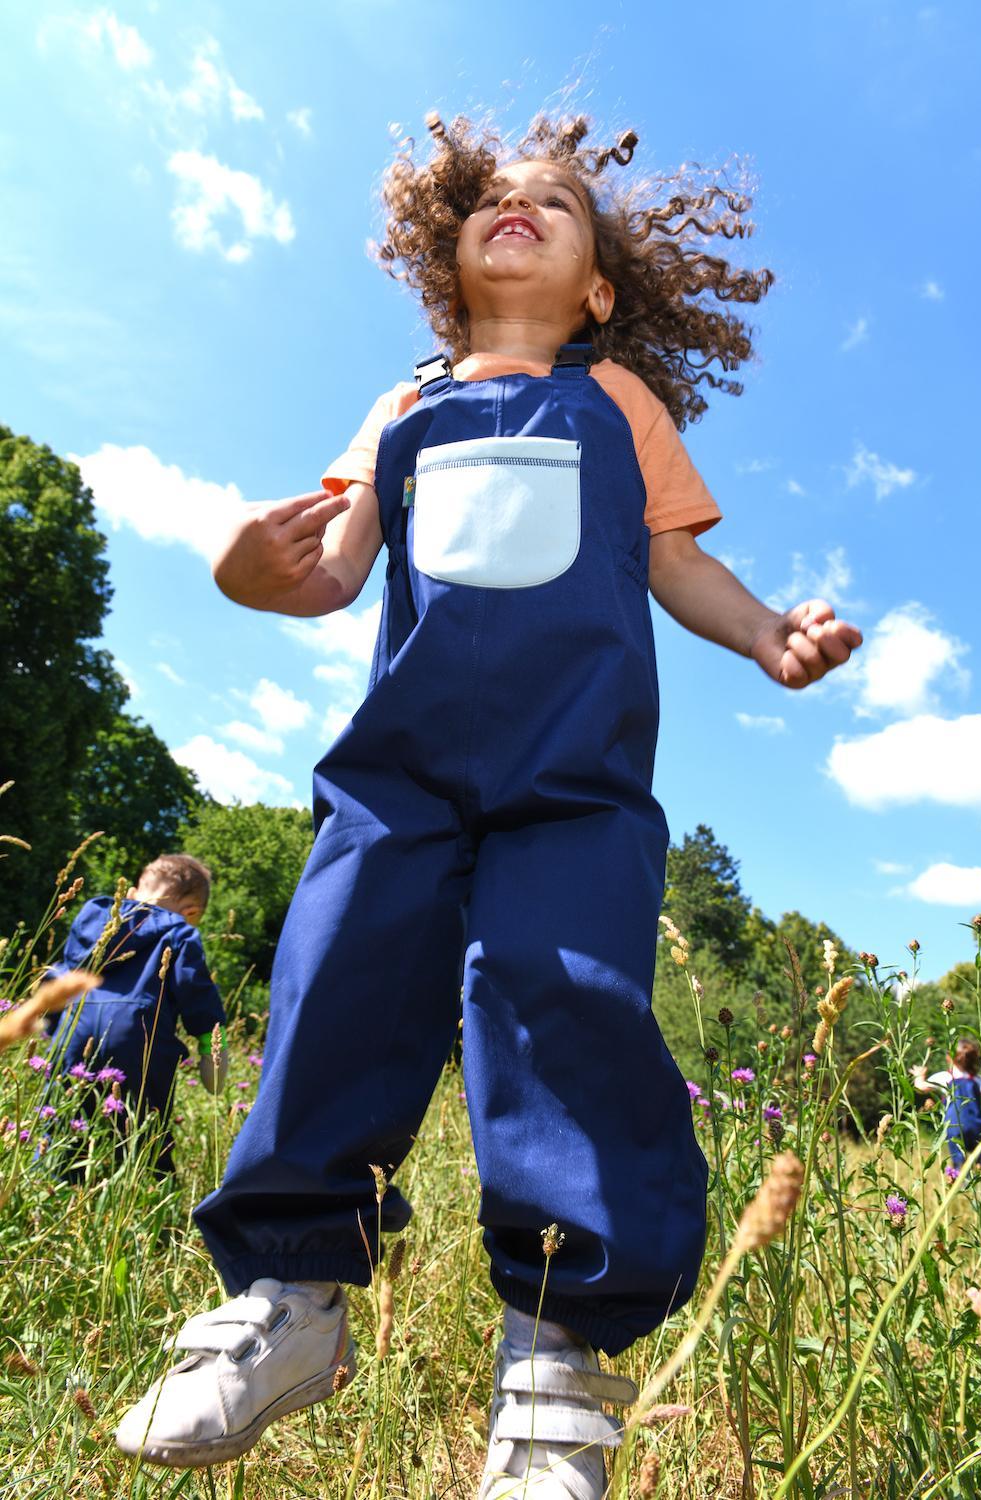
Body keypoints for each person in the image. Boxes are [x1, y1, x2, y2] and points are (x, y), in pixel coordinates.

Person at [116, 113, 862, 1494]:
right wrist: (242, 569)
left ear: (594, 289)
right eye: (494, 199)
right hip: (397, 778)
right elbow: (334, 565)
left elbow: (674, 566)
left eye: (556, 202)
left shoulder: (620, 402)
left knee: (564, 1004)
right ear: (447, 258)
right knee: (335, 979)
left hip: (571, 784)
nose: (518, 205)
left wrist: (765, 632)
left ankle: (557, 1363)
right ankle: (289, 1298)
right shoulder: (403, 405)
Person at [49, 854, 228, 1172]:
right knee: (142, 1133)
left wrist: (48, 1027)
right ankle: (151, 1189)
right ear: (191, 912)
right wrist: (211, 1045)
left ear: (131, 893)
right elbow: (197, 994)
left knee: (64, 1127)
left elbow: (61, 977)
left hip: (70, 1035)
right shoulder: (180, 933)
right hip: (137, 1041)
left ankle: (54, 1189)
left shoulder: (90, 923)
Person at [912, 1039, 981, 1170]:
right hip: (978, 1126)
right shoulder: (979, 1079)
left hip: (954, 1126)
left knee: (959, 1163)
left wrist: (919, 1075)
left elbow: (920, 1087)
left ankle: (962, 1186)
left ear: (949, 1057)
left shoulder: (945, 1077)